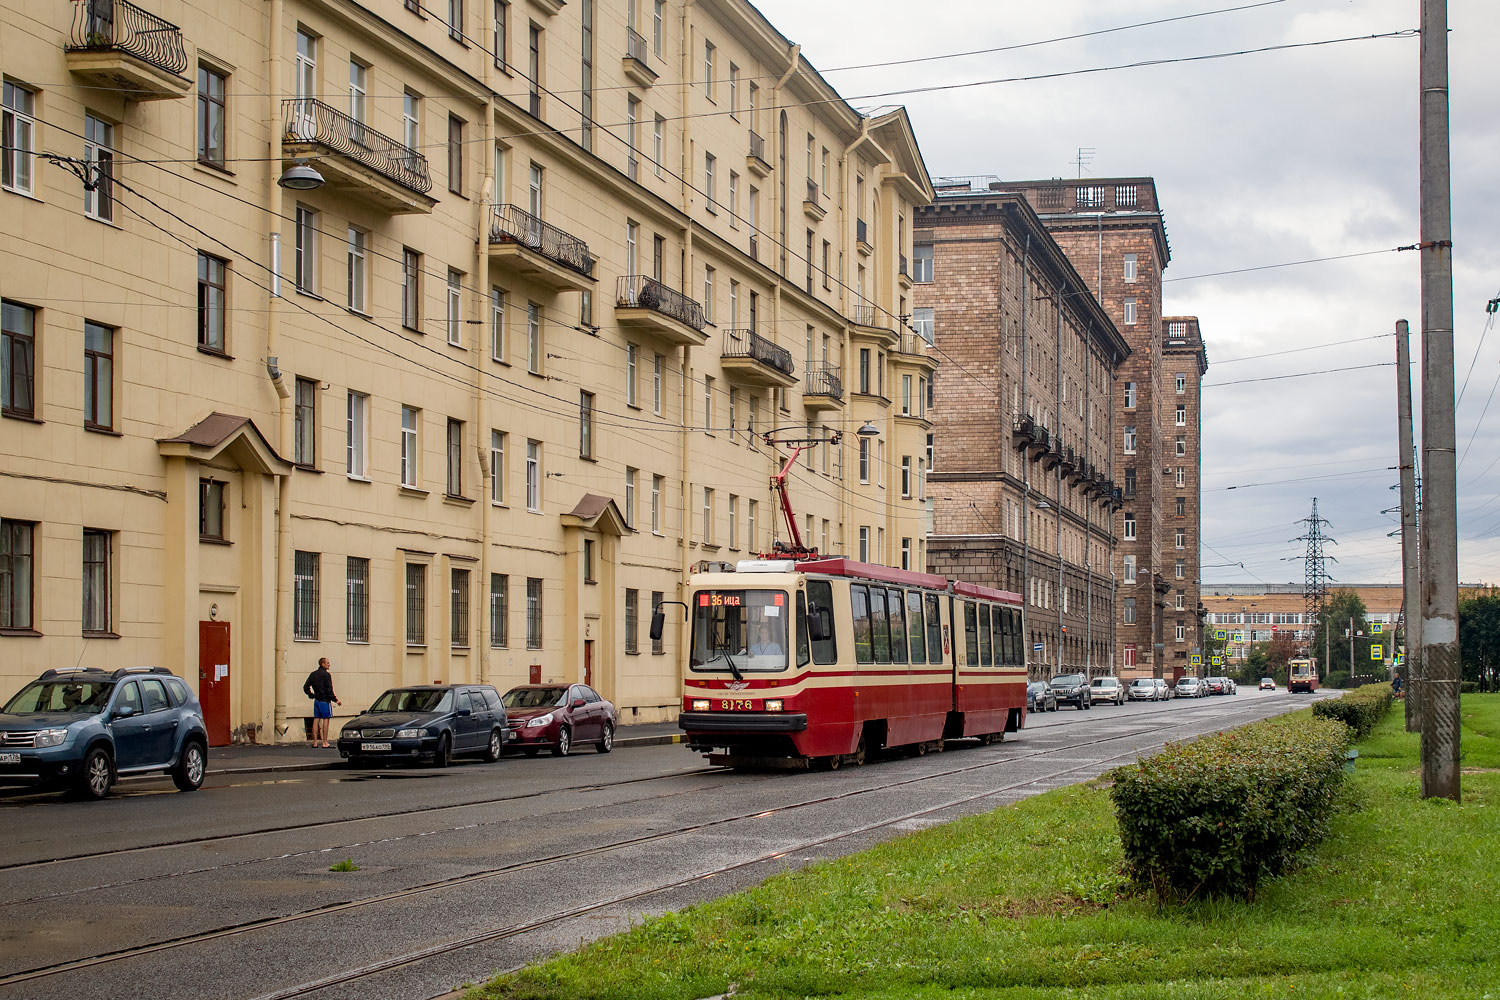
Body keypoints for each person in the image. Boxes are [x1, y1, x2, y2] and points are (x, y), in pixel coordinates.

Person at [303, 658, 341, 748]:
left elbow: (305, 686)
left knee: (316, 719)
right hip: (325, 700)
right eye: (327, 663)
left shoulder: (313, 674)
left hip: (317, 700)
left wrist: (311, 695)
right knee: (326, 720)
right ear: (322, 664)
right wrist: (336, 700)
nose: (329, 664)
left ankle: (315, 742)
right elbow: (329, 689)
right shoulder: (326, 675)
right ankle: (325, 742)